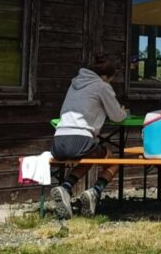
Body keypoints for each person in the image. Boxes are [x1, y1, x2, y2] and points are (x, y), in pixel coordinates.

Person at [50, 54, 128, 219]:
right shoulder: (102, 86)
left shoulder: (74, 84)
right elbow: (117, 117)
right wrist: (122, 111)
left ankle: (66, 187)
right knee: (113, 160)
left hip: (58, 142)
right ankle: (95, 191)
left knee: (90, 156)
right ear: (106, 77)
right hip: (80, 140)